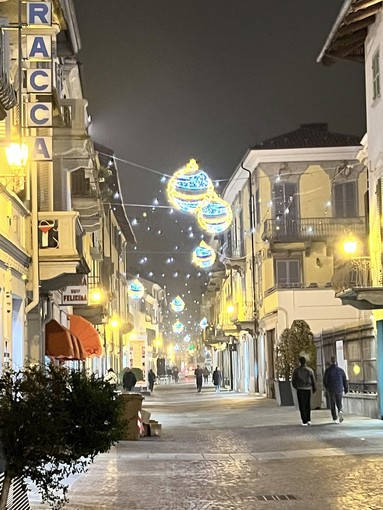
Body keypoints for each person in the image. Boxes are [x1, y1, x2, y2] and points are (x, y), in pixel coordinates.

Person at [292, 356, 316, 426]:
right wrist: (314, 388)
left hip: (300, 388)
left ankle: (304, 420)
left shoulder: (296, 371)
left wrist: (296, 386)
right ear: (305, 362)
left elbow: (293, 381)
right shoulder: (310, 370)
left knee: (301, 405)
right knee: (307, 404)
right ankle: (309, 419)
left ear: (299, 362)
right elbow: (313, 380)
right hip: (308, 388)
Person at [323, 356, 348, 423]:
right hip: (339, 388)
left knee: (332, 403)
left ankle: (334, 418)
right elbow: (344, 380)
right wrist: (346, 389)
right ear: (336, 362)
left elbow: (325, 381)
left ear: (331, 362)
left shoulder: (327, 370)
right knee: (339, 402)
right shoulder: (341, 370)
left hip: (331, 389)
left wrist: (327, 388)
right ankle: (340, 410)